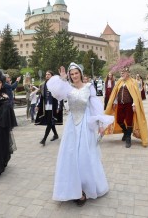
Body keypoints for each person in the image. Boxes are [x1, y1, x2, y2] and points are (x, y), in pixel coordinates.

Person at [46, 63, 114, 206]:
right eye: (72, 74)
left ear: (81, 74)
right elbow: (56, 93)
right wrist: (63, 79)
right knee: (71, 156)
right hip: (72, 126)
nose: (74, 76)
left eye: (76, 73)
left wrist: (101, 124)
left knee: (85, 155)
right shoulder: (67, 88)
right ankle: (74, 189)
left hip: (85, 125)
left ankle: (85, 188)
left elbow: (96, 108)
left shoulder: (89, 87)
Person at [105, 66, 148, 148]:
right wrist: (114, 102)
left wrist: (134, 104)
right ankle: (126, 132)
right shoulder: (119, 82)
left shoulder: (133, 82)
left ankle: (128, 137)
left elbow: (135, 95)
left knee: (129, 121)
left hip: (129, 104)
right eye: (121, 73)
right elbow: (115, 92)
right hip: (120, 104)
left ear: (128, 73)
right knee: (119, 120)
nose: (122, 74)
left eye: (123, 73)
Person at [35, 70, 63, 145]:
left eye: (49, 74)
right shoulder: (43, 85)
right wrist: (38, 105)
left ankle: (44, 139)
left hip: (53, 106)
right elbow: (41, 96)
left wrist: (59, 107)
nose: (47, 75)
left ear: (52, 76)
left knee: (50, 122)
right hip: (45, 106)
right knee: (50, 122)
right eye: (46, 74)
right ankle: (56, 135)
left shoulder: (56, 85)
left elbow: (59, 96)